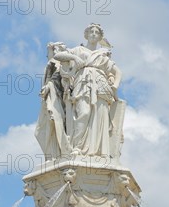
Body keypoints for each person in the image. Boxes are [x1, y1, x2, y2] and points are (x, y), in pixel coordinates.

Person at [55, 23, 122, 157]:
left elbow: (118, 72)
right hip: (83, 84)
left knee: (99, 117)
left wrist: (114, 85)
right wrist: (74, 58)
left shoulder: (102, 55)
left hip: (101, 86)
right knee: (83, 113)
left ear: (100, 37)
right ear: (86, 35)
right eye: (91, 31)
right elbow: (58, 56)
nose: (93, 34)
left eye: (96, 32)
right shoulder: (79, 50)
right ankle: (77, 147)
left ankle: (99, 151)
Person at [34, 42, 72, 160]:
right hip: (50, 98)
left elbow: (66, 83)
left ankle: (60, 153)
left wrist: (49, 85)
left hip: (58, 100)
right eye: (54, 50)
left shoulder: (65, 66)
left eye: (57, 50)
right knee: (40, 131)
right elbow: (51, 61)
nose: (55, 52)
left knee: (55, 125)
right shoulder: (52, 65)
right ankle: (53, 155)